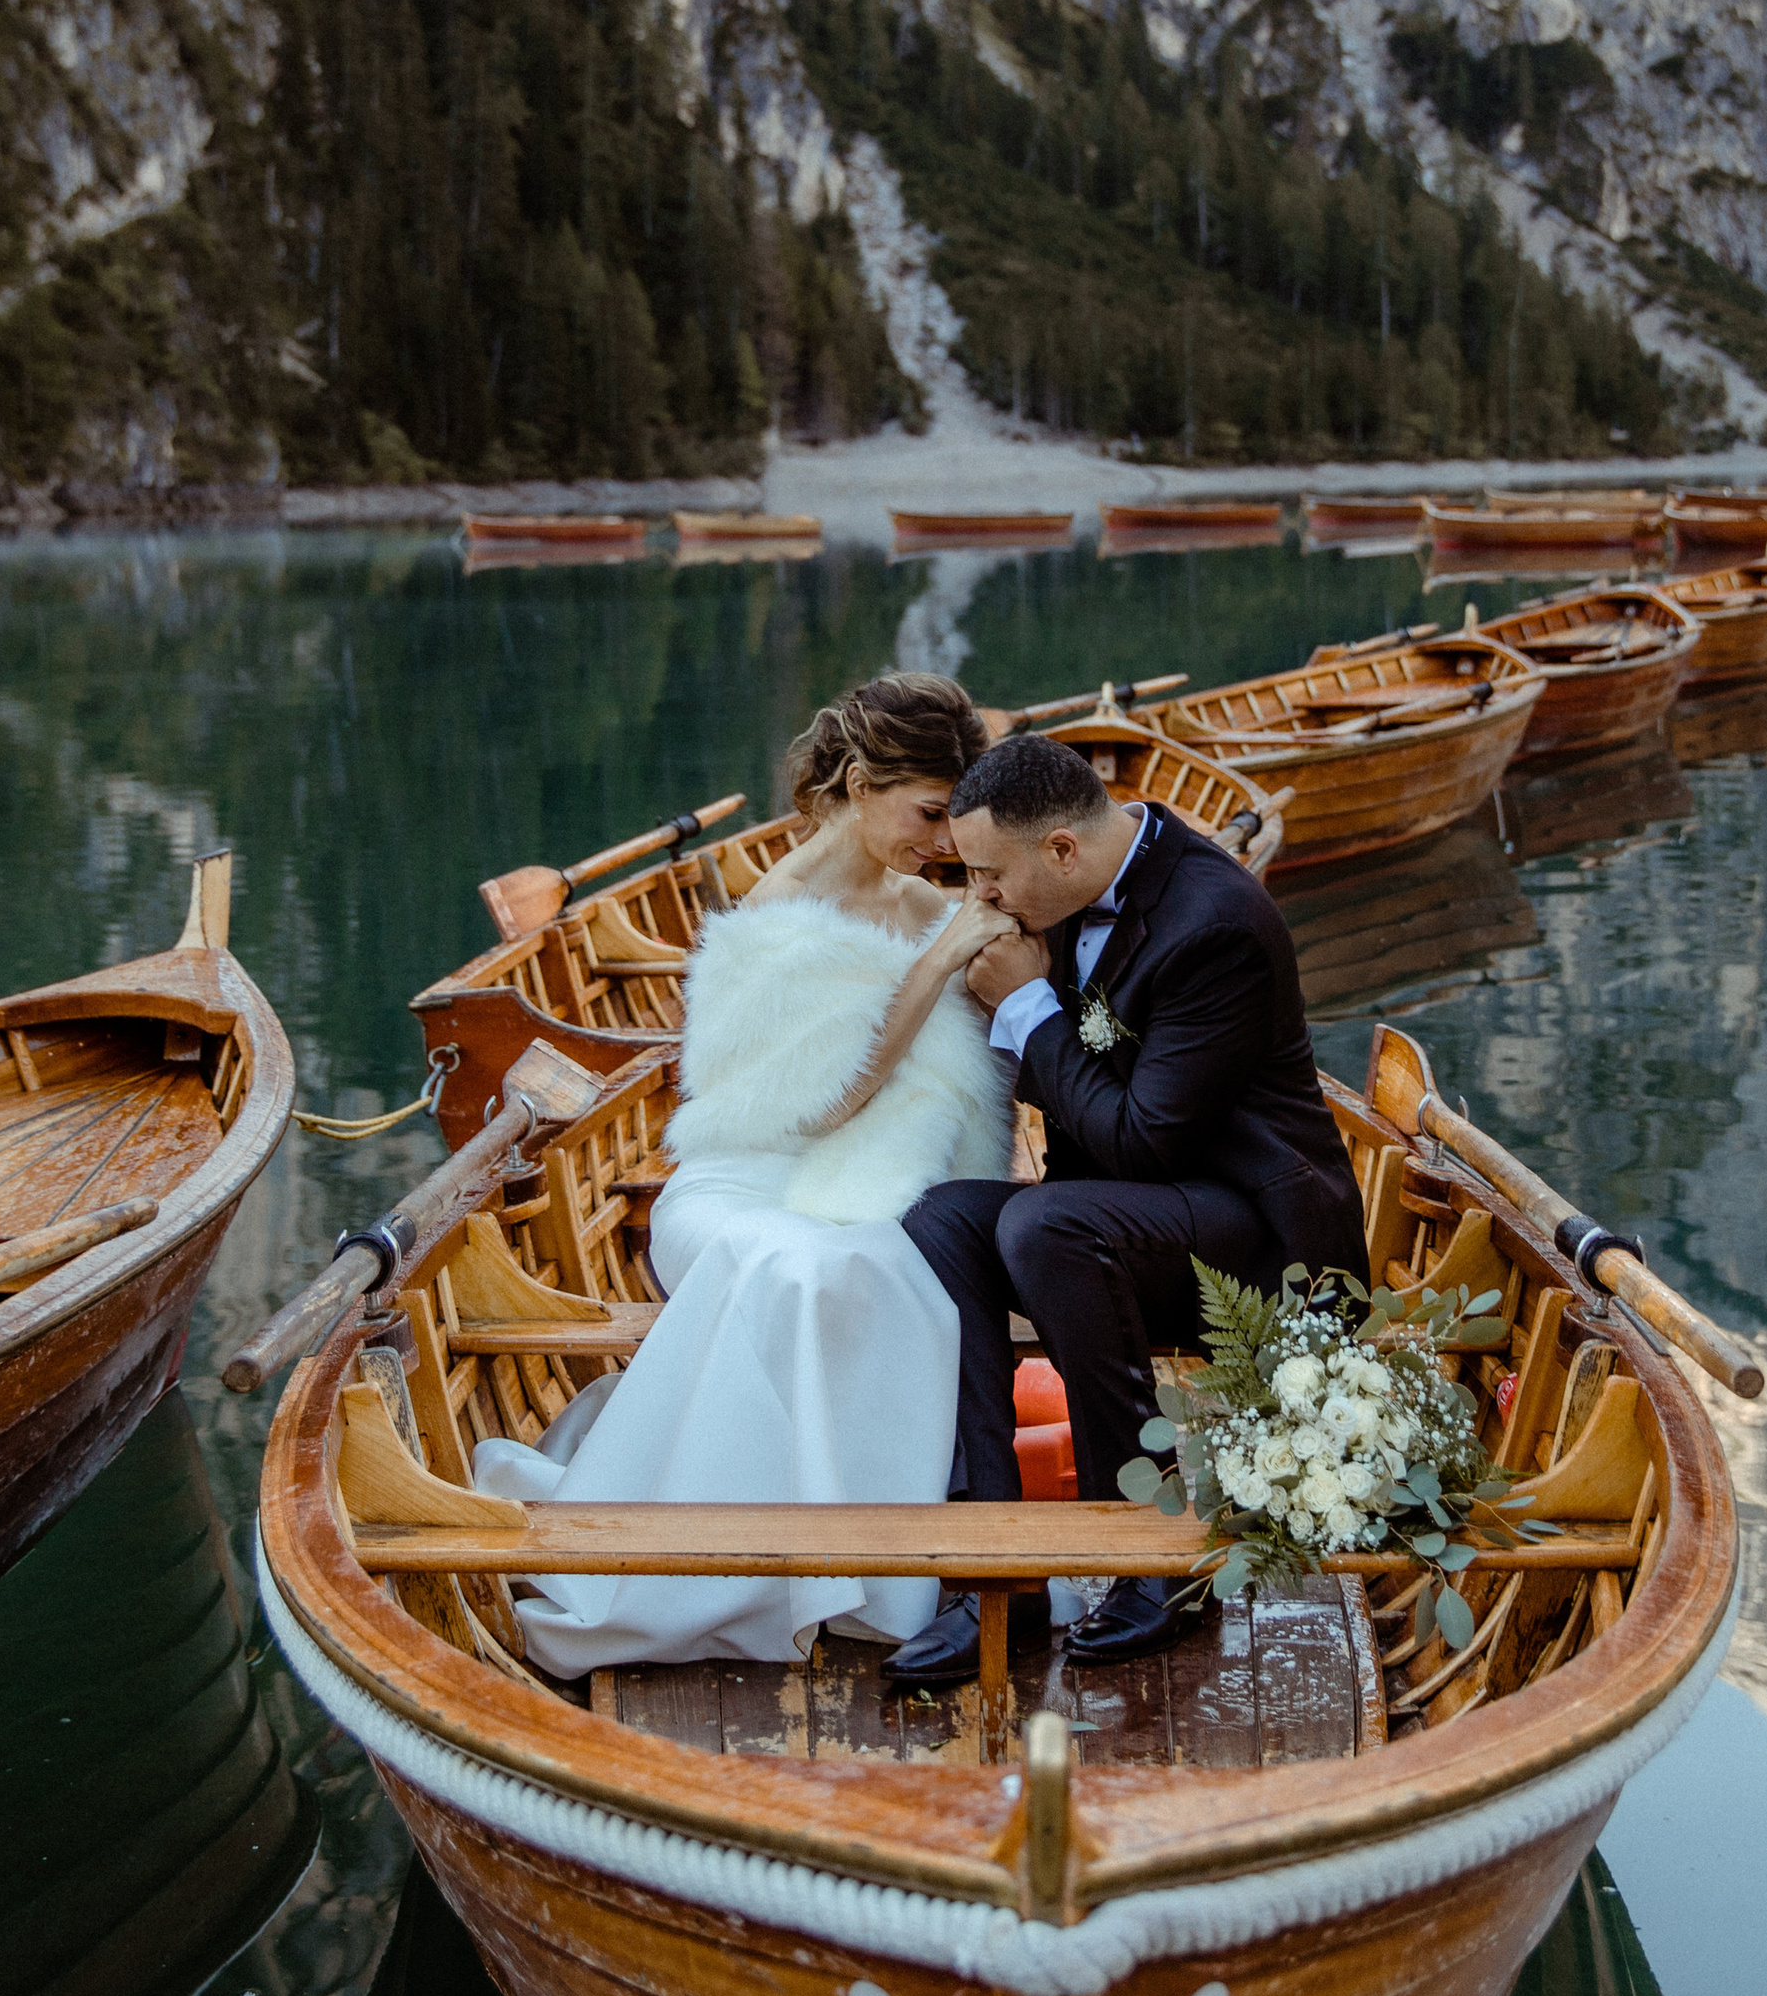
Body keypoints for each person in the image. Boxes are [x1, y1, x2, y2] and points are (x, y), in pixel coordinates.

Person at [469, 673, 1012, 1674]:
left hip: (859, 1178)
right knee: (801, 1270)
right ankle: (750, 1564)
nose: (943, 842)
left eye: (952, 819)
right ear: (860, 785)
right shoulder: (778, 910)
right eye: (929, 812)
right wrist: (937, 963)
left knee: (888, 1267)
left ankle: (856, 1564)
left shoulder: (923, 903)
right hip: (739, 1183)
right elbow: (826, 1102)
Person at [890, 731, 1369, 1686]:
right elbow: (1084, 1096)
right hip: (1135, 1215)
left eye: (989, 875)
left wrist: (1029, 1007)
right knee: (941, 1219)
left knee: (1045, 1224)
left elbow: (1144, 1142)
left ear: (1062, 850)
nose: (981, 897)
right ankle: (994, 1569)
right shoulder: (1060, 896)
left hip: (1260, 1241)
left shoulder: (1216, 924)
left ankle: (1152, 1557)